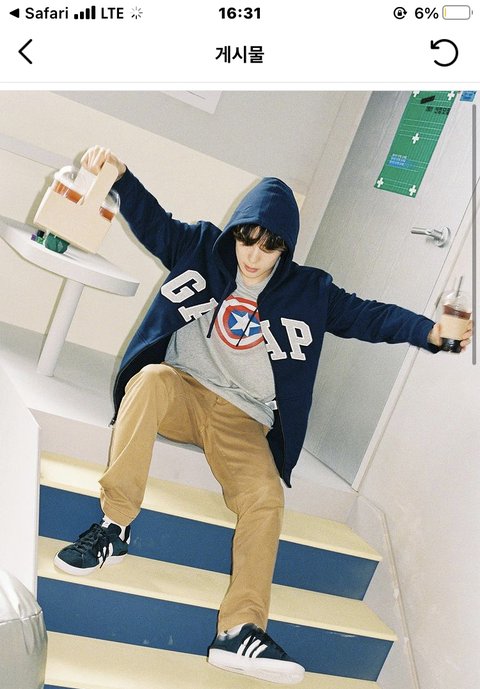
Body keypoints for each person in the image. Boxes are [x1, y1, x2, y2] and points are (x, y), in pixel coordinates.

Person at [54, 146, 472, 684]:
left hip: (244, 419)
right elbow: (151, 219)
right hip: (182, 389)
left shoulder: (310, 291)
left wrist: (431, 332)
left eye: (269, 247)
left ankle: (240, 629)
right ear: (235, 233)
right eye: (247, 240)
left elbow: (370, 316)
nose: (253, 256)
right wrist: (120, 174)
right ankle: (114, 526)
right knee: (150, 379)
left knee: (266, 497)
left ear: (285, 249)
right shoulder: (199, 247)